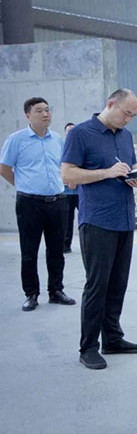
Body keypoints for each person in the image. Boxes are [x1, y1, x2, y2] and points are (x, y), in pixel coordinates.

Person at [61, 89, 137, 370]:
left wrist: (136, 179)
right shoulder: (80, 134)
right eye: (126, 113)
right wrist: (106, 173)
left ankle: (112, 338)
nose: (128, 120)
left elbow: (129, 168)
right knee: (97, 285)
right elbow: (68, 174)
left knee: (118, 283)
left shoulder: (125, 136)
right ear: (111, 104)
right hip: (97, 221)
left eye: (133, 116)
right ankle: (88, 347)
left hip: (124, 219)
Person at [0, 97, 75, 311]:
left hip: (58, 202)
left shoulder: (57, 139)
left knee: (56, 250)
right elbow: (4, 168)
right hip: (29, 203)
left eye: (47, 110)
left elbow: (64, 166)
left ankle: (56, 290)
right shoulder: (16, 140)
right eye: (39, 110)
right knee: (29, 251)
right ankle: (31, 294)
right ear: (28, 115)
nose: (45, 114)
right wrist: (23, 185)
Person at [63, 122, 79, 253]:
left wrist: (77, 181)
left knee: (86, 218)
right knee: (67, 220)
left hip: (80, 191)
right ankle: (65, 245)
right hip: (66, 192)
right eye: (68, 131)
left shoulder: (81, 147)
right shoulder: (62, 148)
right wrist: (68, 181)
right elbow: (60, 168)